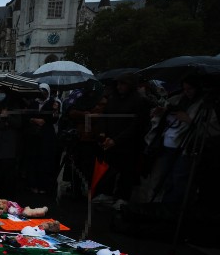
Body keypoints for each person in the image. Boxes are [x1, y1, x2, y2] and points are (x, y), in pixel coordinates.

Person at [146, 75, 220, 205]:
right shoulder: (177, 99)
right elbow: (163, 114)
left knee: (179, 178)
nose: (187, 92)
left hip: (187, 148)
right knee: (165, 178)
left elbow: (212, 129)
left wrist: (189, 120)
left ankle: (173, 208)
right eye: (185, 89)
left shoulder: (205, 106)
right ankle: (164, 206)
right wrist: (161, 112)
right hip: (167, 145)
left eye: (190, 89)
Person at [92, 73, 149, 208]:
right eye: (118, 84)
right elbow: (104, 118)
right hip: (110, 140)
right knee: (109, 168)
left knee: (127, 171)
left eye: (123, 84)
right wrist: (103, 135)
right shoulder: (113, 99)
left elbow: (137, 125)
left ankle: (123, 197)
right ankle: (107, 193)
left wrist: (117, 140)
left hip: (129, 143)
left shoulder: (139, 101)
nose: (119, 87)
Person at [24, 83, 58, 194]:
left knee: (44, 160)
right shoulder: (33, 102)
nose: (42, 92)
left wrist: (55, 111)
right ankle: (32, 185)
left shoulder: (53, 103)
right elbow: (26, 116)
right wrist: (34, 120)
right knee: (32, 160)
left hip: (46, 137)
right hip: (33, 136)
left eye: (44, 90)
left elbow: (54, 119)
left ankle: (43, 185)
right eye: (40, 90)